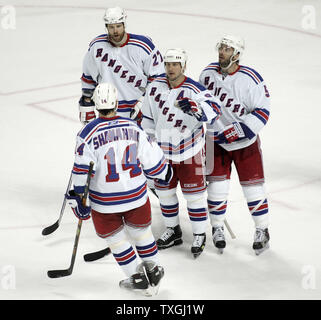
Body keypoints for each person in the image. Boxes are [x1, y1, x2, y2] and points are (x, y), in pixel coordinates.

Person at [66, 82, 173, 296]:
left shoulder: (86, 133)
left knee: (116, 240)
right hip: (136, 196)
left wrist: (79, 198)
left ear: (96, 104)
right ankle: (153, 272)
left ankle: (137, 278)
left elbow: (81, 172)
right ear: (116, 102)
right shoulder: (133, 127)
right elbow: (154, 160)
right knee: (142, 234)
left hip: (104, 202)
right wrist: (164, 172)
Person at [141, 48, 221, 258]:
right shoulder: (154, 87)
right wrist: (149, 143)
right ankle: (173, 230)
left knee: (194, 198)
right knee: (166, 195)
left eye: (175, 64)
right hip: (162, 153)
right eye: (168, 64)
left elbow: (214, 113)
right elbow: (148, 117)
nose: (171, 68)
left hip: (190, 153)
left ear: (183, 66)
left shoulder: (195, 88)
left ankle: (199, 234)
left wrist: (196, 109)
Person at [199, 34, 271, 255]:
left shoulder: (251, 78)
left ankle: (262, 230)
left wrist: (238, 130)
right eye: (221, 48)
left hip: (245, 143)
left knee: (253, 189)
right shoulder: (207, 74)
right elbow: (200, 103)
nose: (222, 52)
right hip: (214, 142)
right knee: (216, 188)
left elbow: (262, 111)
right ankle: (217, 227)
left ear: (237, 54)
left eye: (228, 49)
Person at [79, 6, 165, 124]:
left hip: (139, 111)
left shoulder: (143, 45)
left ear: (124, 24)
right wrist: (87, 102)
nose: (115, 31)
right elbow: (88, 77)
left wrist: (144, 103)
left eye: (118, 26)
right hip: (108, 111)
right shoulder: (96, 46)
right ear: (106, 27)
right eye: (111, 27)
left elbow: (159, 77)